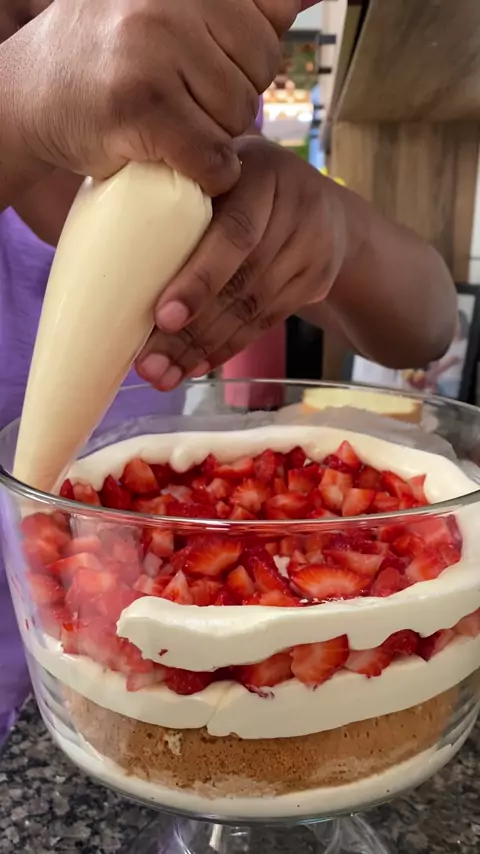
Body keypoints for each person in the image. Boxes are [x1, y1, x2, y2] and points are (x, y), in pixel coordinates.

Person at [0, 0, 457, 742]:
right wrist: (18, 103)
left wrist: (338, 234)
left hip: (127, 658)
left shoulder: (197, 126)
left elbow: (430, 323)